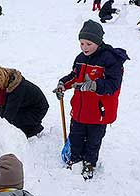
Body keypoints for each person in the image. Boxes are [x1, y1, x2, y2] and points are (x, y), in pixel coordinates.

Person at [53, 20, 129, 180]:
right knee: (76, 136)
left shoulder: (110, 59)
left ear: (98, 41)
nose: (84, 47)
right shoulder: (80, 58)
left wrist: (93, 85)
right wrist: (62, 85)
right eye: (81, 43)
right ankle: (75, 158)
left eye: (88, 43)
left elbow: (113, 84)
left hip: (98, 113)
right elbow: (74, 76)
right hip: (79, 111)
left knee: (93, 141)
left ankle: (89, 163)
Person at [0, 66, 49, 138]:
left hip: (37, 108)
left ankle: (33, 129)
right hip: (23, 105)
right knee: (10, 116)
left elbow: (9, 115)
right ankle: (29, 125)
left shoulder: (17, 88)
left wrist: (0, 132)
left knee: (15, 120)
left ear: (2, 78)